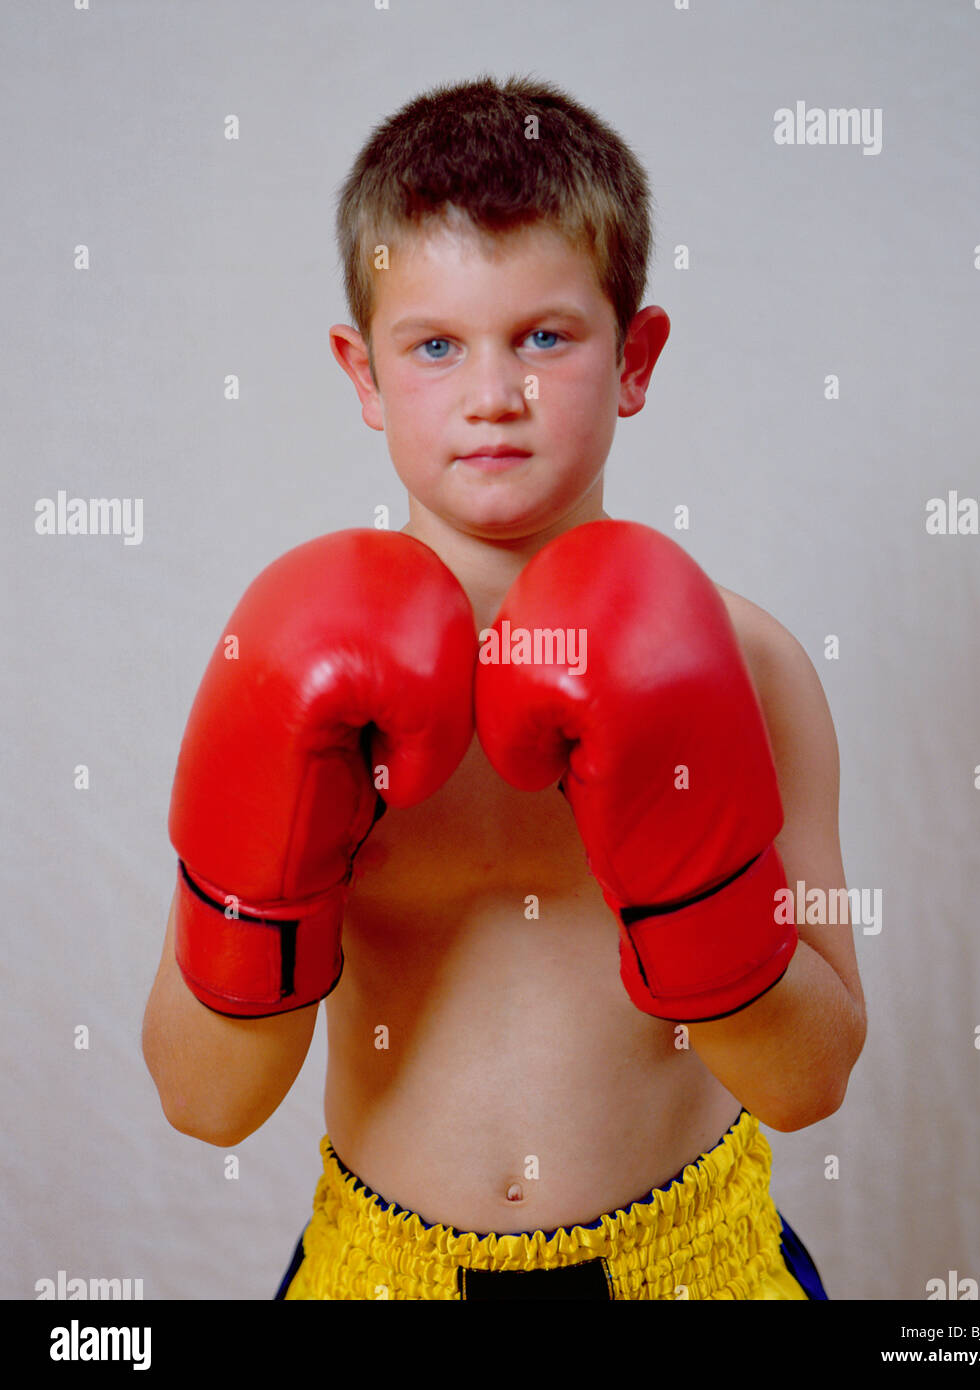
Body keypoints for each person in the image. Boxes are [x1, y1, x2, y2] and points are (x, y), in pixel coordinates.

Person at [142, 74, 866, 1301]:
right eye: (433, 345)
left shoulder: (745, 665)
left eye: (545, 335)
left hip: (690, 1267)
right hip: (382, 1273)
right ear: (361, 374)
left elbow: (808, 1085)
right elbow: (204, 1100)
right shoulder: (290, 669)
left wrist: (697, 899)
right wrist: (261, 899)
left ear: (635, 357)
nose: (493, 393)